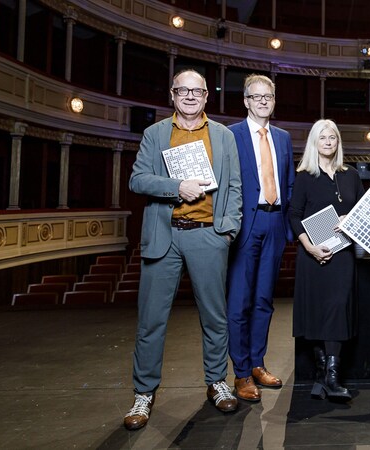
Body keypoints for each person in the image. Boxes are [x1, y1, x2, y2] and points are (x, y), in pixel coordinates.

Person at [124, 69, 242, 431]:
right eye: (183, 90)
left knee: (214, 316)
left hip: (208, 235)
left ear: (207, 96)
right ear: (172, 95)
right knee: (151, 320)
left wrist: (229, 231)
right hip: (165, 235)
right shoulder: (154, 133)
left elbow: (235, 186)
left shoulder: (223, 135)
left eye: (197, 91)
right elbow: (137, 179)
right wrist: (178, 186)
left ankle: (217, 382)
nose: (190, 96)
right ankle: (143, 394)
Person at [226, 74, 295, 401]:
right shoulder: (231, 135)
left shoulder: (282, 137)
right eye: (257, 97)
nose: (263, 101)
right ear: (246, 101)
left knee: (264, 301)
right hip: (245, 226)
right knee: (240, 301)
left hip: (275, 225)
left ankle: (257, 363)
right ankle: (240, 374)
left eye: (268, 96)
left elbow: (290, 183)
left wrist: (289, 229)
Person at [289, 119, 365, 401]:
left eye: (333, 137)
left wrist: (351, 219)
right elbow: (294, 215)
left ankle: (332, 375)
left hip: (342, 256)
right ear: (314, 142)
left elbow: (365, 211)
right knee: (315, 312)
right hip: (312, 256)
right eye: (323, 137)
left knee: (336, 309)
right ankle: (322, 372)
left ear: (338, 141)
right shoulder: (305, 176)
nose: (328, 142)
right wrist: (310, 247)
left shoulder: (351, 174)